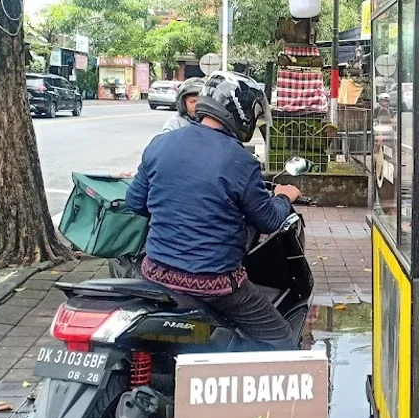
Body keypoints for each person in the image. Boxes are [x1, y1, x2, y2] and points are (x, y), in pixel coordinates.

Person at [126, 72, 302, 349]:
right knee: (281, 339)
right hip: (214, 284)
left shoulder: (160, 144)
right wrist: (283, 197)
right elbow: (268, 221)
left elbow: (135, 202)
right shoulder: (241, 161)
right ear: (243, 114)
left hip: (156, 274)